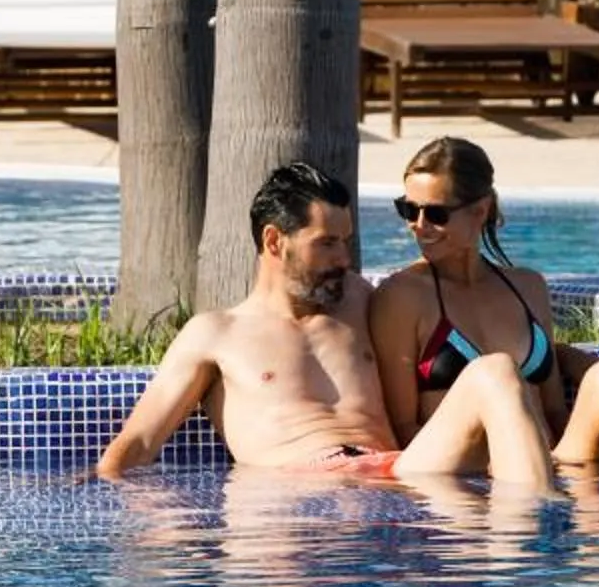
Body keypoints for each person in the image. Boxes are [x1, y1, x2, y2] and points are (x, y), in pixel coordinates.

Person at [95, 161, 563, 483]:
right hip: (298, 496)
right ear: (275, 241)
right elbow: (138, 441)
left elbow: (468, 346)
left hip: (399, 478)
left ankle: (536, 538)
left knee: (494, 370)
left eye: (346, 241)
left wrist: (575, 362)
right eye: (326, 244)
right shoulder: (217, 334)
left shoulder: (364, 302)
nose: (345, 258)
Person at [369, 135, 599, 475]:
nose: (418, 225)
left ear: (480, 211)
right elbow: (403, 429)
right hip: (468, 477)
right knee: (497, 370)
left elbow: (552, 410)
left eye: (435, 213)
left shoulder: (527, 287)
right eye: (408, 209)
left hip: (546, 467)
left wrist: (580, 475)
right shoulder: (403, 295)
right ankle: (539, 501)